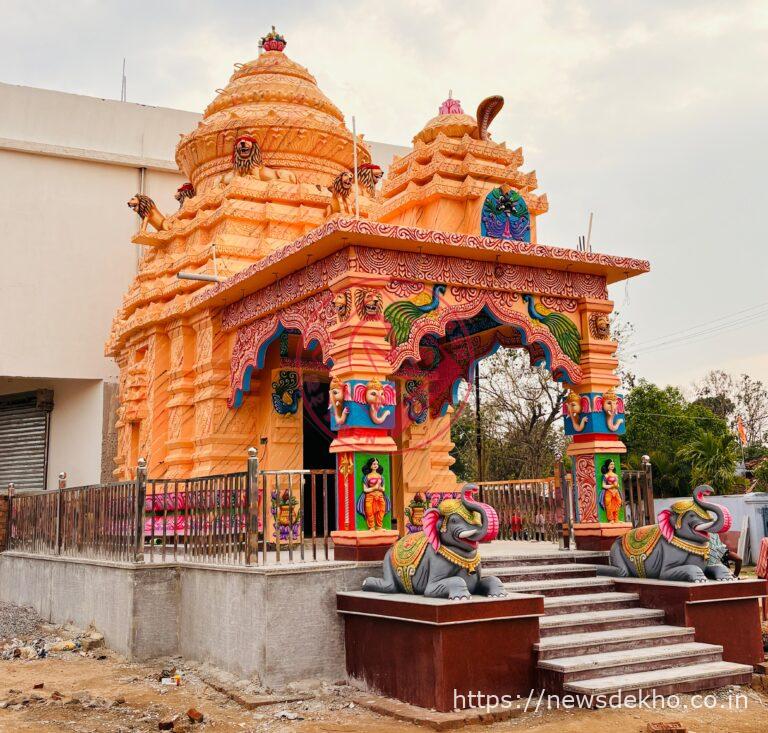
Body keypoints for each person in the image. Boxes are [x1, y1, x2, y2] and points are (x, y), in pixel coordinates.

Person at [361, 458, 387, 530]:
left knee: (382, 510)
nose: (376, 465)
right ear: (370, 465)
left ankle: (379, 526)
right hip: (369, 496)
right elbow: (365, 490)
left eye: (377, 464)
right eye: (374, 464)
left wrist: (378, 487)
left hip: (380, 496)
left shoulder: (381, 477)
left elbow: (383, 489)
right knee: (369, 511)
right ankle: (371, 526)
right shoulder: (366, 477)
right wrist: (374, 488)